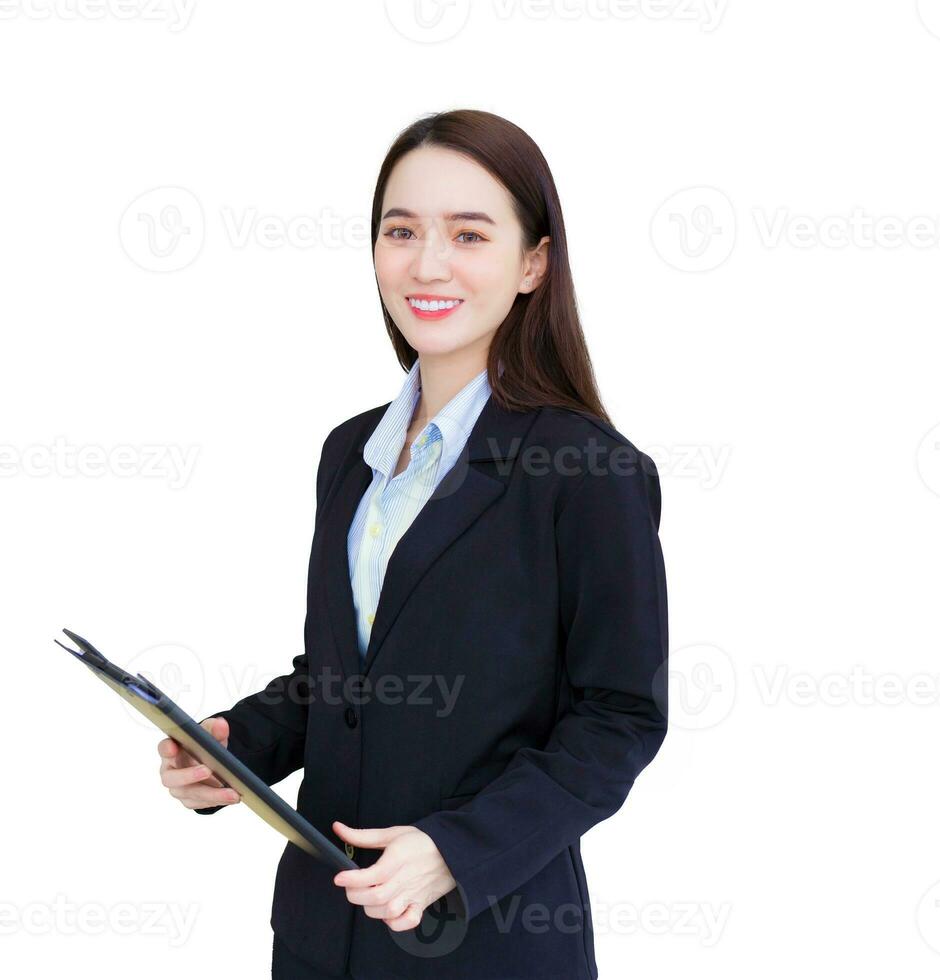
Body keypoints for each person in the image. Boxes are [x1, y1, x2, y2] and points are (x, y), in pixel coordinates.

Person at [156, 108, 668, 979]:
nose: (427, 264)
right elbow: (343, 676)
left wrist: (456, 852)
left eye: (469, 234)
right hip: (323, 939)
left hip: (488, 942)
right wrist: (238, 745)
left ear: (533, 263)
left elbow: (618, 718)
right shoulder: (349, 454)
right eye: (402, 231)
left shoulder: (585, 468)